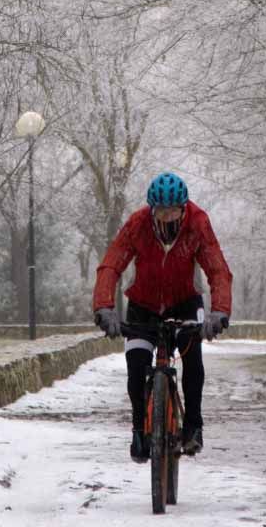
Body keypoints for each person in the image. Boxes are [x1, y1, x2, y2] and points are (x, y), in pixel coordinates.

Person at [93, 171, 233, 462]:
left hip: (184, 303)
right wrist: (104, 307)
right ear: (151, 209)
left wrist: (218, 312)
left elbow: (217, 269)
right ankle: (138, 430)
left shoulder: (198, 223)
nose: (166, 217)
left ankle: (193, 426)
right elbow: (111, 264)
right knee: (136, 365)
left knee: (192, 356)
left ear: (183, 208)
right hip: (142, 305)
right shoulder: (137, 224)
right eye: (160, 211)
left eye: (172, 211)